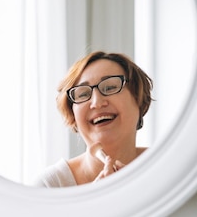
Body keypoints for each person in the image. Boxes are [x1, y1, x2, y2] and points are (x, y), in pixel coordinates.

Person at [35, 51, 153, 187]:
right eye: (83, 94)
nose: (97, 102)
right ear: (73, 115)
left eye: (110, 87)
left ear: (139, 99)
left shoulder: (169, 166)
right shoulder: (50, 185)